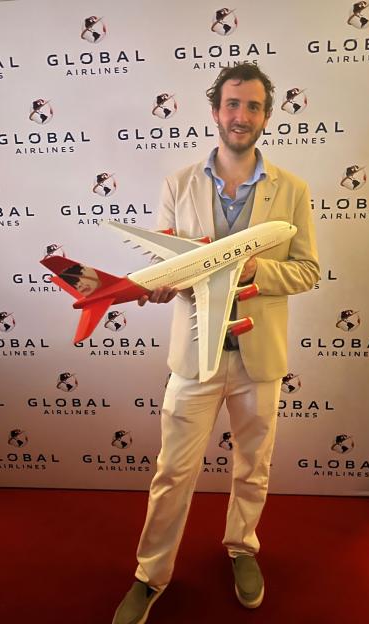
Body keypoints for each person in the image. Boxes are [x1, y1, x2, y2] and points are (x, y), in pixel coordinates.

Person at [112, 63, 319, 624]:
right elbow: (167, 264)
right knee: (173, 472)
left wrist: (252, 271)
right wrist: (161, 288)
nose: (241, 116)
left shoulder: (292, 191)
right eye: (233, 104)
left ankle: (243, 548)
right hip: (194, 358)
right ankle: (149, 575)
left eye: (253, 107)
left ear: (266, 117)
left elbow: (307, 272)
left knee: (253, 465)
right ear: (215, 111)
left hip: (259, 360)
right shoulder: (178, 184)